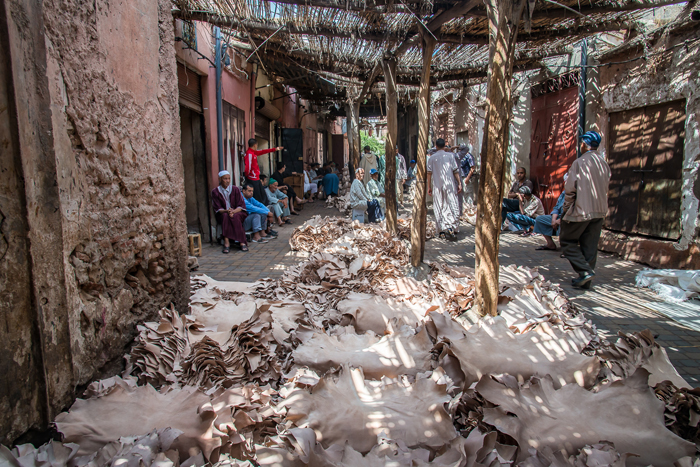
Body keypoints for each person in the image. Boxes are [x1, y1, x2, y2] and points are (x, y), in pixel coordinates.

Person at [560, 131, 611, 289]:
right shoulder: (603, 164)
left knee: (567, 241)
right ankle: (585, 280)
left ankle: (584, 271)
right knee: (590, 246)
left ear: (584, 144)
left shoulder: (580, 162)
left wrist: (566, 208)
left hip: (581, 210)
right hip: (599, 210)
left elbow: (570, 189)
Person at [427, 138, 462, 239]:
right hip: (450, 186)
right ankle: (452, 227)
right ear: (445, 146)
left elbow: (429, 173)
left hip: (437, 186)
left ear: (436, 146)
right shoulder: (450, 156)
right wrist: (459, 183)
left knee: (439, 206)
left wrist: (429, 186)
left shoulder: (432, 158)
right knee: (452, 205)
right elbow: (455, 171)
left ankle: (441, 230)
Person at [211, 170, 249, 253]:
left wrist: (233, 212)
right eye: (225, 179)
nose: (227, 181)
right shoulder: (215, 192)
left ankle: (242, 241)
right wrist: (227, 211)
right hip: (224, 213)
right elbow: (218, 208)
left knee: (236, 217)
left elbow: (241, 206)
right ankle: (226, 242)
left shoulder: (235, 189)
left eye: (229, 178)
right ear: (220, 179)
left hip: (237, 212)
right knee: (225, 217)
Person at [533, 175, 568, 251]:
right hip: (558, 217)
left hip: (567, 218)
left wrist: (559, 221)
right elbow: (556, 208)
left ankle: (566, 248)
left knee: (563, 225)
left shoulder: (575, 194)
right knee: (540, 219)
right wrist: (553, 220)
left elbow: (570, 211)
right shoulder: (563, 193)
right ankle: (550, 244)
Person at [244, 139, 283, 205]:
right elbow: (247, 167)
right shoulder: (249, 154)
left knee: (262, 195)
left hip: (256, 178)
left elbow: (263, 151)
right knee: (257, 196)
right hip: (253, 179)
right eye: (257, 145)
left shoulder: (253, 152)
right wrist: (247, 176)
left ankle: (264, 207)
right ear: (255, 145)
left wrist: (275, 149)